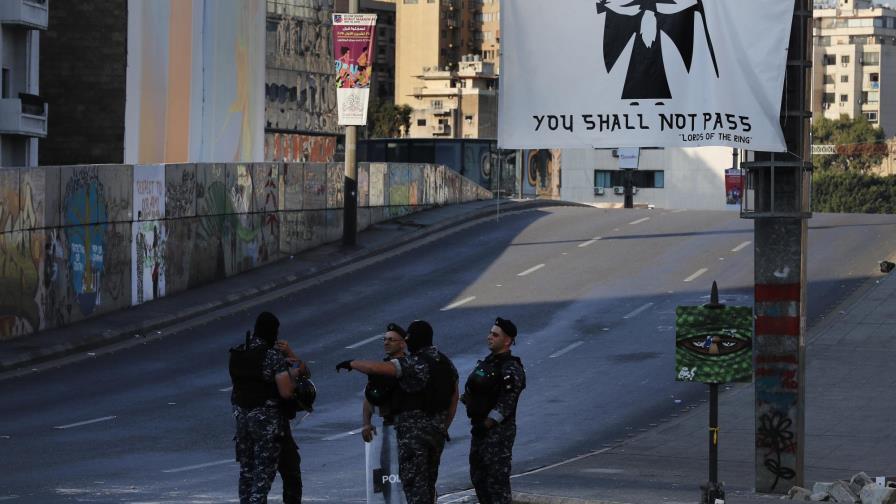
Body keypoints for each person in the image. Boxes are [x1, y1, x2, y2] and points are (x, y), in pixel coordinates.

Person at [337, 320, 459, 504]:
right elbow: (454, 398)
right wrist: (443, 426)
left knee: (414, 487)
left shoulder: (415, 363)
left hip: (413, 437)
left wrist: (352, 363)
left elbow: (375, 368)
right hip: (436, 433)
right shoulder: (446, 363)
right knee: (428, 483)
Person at [230, 311, 309, 504]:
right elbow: (286, 392)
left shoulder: (239, 353)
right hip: (269, 426)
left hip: (243, 423)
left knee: (247, 474)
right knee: (263, 477)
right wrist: (294, 371)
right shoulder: (272, 356)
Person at [461, 317, 526, 504]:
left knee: (497, 483)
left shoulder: (511, 369)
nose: (490, 337)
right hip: (480, 431)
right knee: (479, 479)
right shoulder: (488, 363)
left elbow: (506, 404)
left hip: (497, 434)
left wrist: (486, 424)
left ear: (507, 341)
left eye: (495, 334)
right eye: (490, 333)